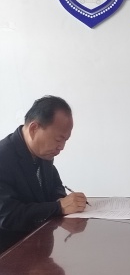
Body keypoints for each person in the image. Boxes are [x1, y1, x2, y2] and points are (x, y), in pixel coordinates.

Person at [0, 96, 87, 249]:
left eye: (65, 140)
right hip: (11, 254)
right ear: (34, 129)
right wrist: (58, 207)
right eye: (58, 139)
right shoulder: (3, 157)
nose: (62, 147)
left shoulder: (43, 153)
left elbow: (56, 187)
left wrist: (65, 201)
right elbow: (8, 216)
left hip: (40, 247)